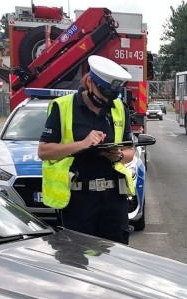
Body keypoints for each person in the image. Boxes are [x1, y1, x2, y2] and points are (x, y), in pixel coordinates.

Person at [38, 55, 136, 244]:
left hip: (114, 199)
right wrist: (82, 144)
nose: (108, 100)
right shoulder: (63, 107)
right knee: (78, 258)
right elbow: (44, 151)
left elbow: (129, 152)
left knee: (118, 259)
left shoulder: (118, 108)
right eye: (104, 93)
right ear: (89, 82)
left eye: (113, 95)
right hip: (79, 199)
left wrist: (118, 155)